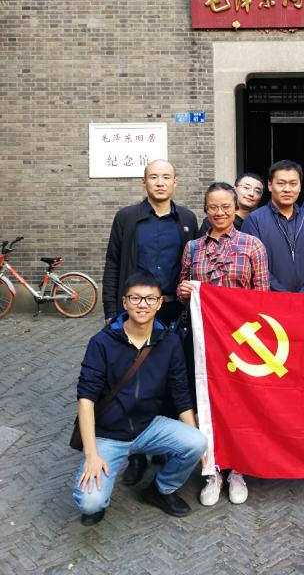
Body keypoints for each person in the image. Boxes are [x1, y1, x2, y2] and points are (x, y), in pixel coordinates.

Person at [72, 272, 206, 526]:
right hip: (108, 434)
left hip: (148, 426)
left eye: (150, 299)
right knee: (89, 503)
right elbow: (86, 399)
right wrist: (91, 455)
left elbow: (180, 393)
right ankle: (99, 494)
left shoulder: (169, 342)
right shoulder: (102, 342)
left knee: (197, 441)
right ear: (125, 302)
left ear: (159, 303)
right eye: (135, 298)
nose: (142, 305)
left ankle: (160, 489)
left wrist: (195, 441)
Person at [102, 159, 198, 486]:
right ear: (144, 182)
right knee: (134, 379)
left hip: (173, 311)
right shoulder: (127, 218)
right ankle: (136, 455)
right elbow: (113, 263)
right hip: (136, 311)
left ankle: (166, 445)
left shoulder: (187, 220)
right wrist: (111, 310)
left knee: (172, 376)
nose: (160, 182)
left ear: (175, 182)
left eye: (166, 177)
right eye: (153, 177)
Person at [178, 182, 270, 506]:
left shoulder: (252, 245)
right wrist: (185, 290)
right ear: (206, 210)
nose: (219, 213)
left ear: (235, 208)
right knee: (206, 402)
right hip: (203, 342)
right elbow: (181, 286)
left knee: (239, 404)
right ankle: (212, 470)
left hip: (241, 343)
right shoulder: (192, 248)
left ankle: (238, 470)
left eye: (226, 207)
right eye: (213, 207)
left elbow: (263, 297)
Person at [242, 160, 304, 293]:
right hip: (270, 299)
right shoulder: (254, 220)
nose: (287, 189)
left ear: (300, 187)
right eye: (281, 183)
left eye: (293, 184)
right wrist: (284, 296)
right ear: (270, 185)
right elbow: (253, 265)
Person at [198, 173, 264, 235]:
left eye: (257, 191)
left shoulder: (259, 222)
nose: (251, 193)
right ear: (234, 189)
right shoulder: (216, 219)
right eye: (246, 188)